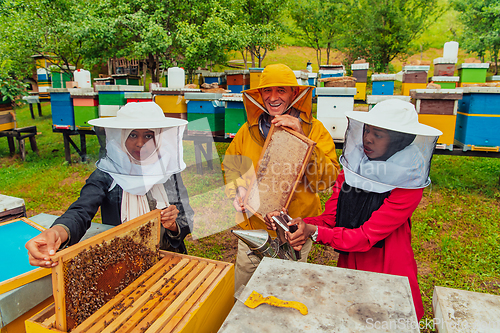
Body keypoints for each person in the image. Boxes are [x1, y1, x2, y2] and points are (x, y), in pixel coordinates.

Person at [265, 99, 442, 320]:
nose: (368, 138)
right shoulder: (351, 170)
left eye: (378, 135)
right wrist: (291, 222)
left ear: (398, 142)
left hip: (388, 268)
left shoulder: (408, 187)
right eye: (368, 131)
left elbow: (366, 236)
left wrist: (312, 231)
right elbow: (332, 218)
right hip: (350, 261)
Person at [26, 102, 194, 268]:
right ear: (121, 137)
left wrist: (173, 225)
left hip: (168, 258)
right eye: (133, 135)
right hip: (123, 262)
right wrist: (57, 232)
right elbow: (81, 210)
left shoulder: (168, 172)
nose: (140, 143)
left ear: (158, 137)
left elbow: (186, 216)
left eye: (148, 136)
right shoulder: (107, 173)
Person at [223, 64, 340, 291]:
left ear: (294, 94)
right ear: (259, 95)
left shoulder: (316, 130)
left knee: (288, 290)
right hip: (253, 229)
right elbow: (232, 166)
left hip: (295, 230)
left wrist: (303, 139)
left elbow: (325, 181)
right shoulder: (247, 131)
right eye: (267, 91)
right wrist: (238, 190)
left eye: (281, 90)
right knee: (246, 293)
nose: (273, 97)